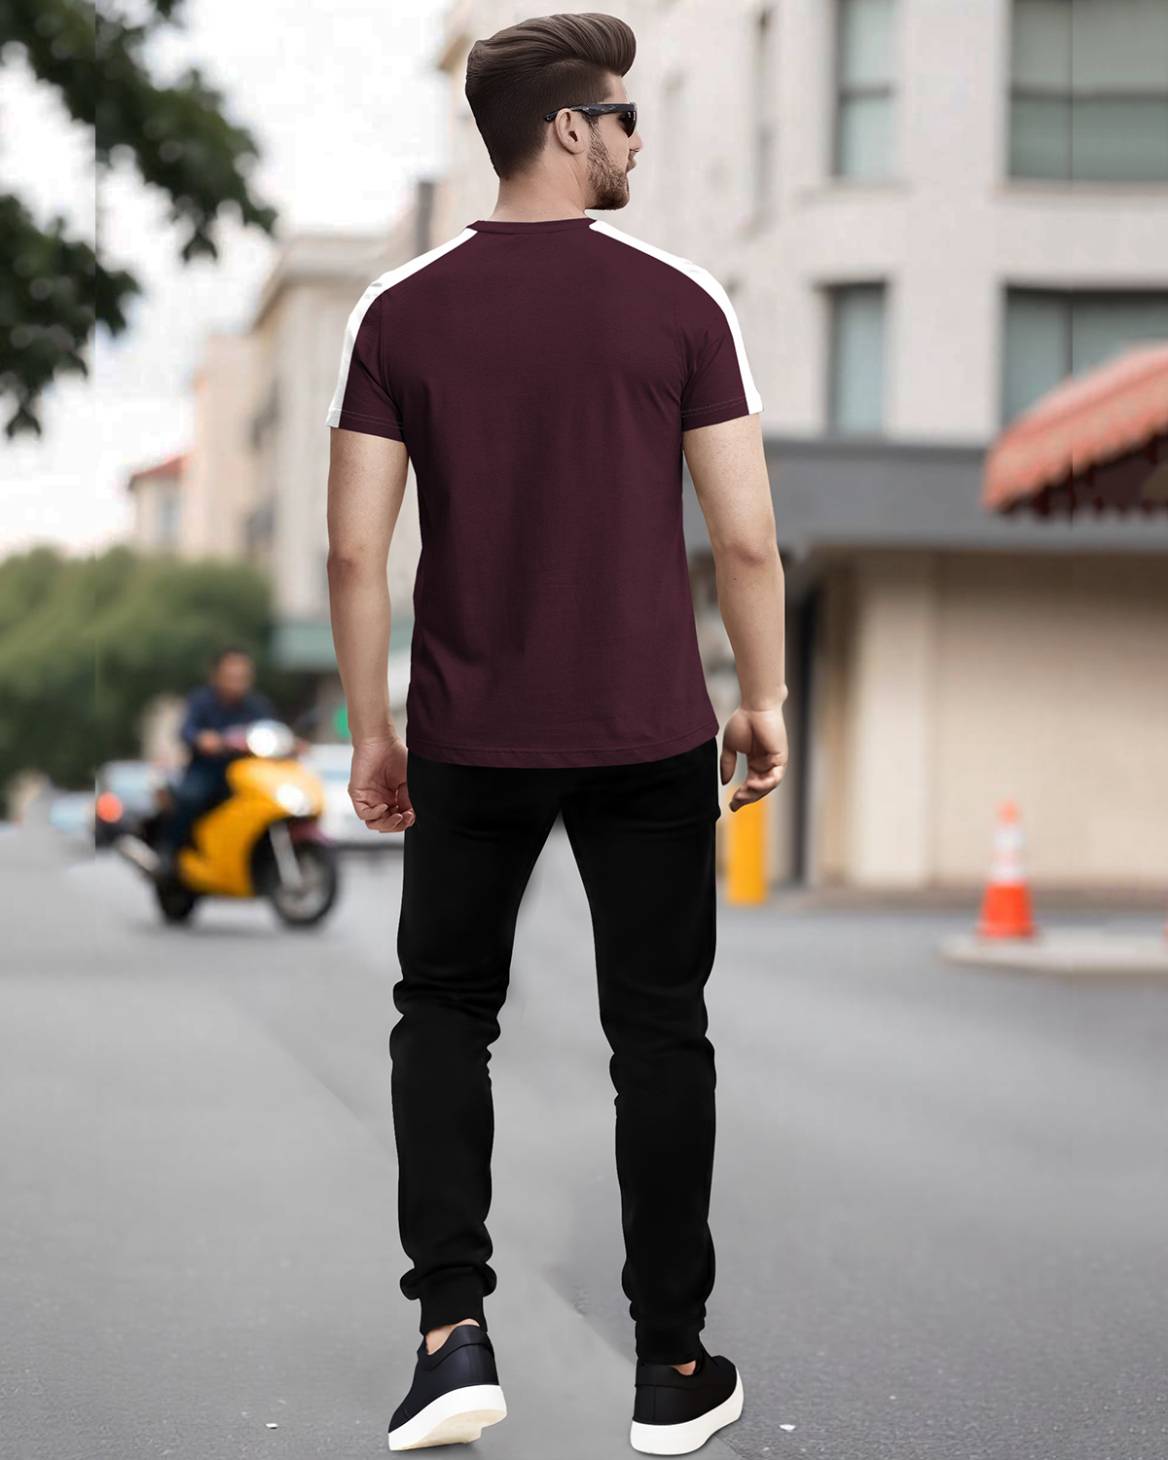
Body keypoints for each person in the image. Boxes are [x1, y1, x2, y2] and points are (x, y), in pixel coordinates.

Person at [324, 14, 788, 1456]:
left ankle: (451, 1333)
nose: (642, 139)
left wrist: (371, 730)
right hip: (650, 731)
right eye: (629, 118)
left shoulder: (399, 312)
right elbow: (749, 539)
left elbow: (353, 557)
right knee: (660, 1036)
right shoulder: (680, 303)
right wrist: (762, 698)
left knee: (444, 1016)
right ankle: (670, 1370)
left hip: (472, 729)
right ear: (573, 129)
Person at [157, 647, 275, 872]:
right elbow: (186, 731)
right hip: (208, 770)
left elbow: (273, 730)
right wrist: (202, 739)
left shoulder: (258, 706)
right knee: (190, 797)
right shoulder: (201, 701)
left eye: (242, 676)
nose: (237, 682)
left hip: (248, 774)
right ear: (217, 676)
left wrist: (292, 742)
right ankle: (171, 851)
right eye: (231, 676)